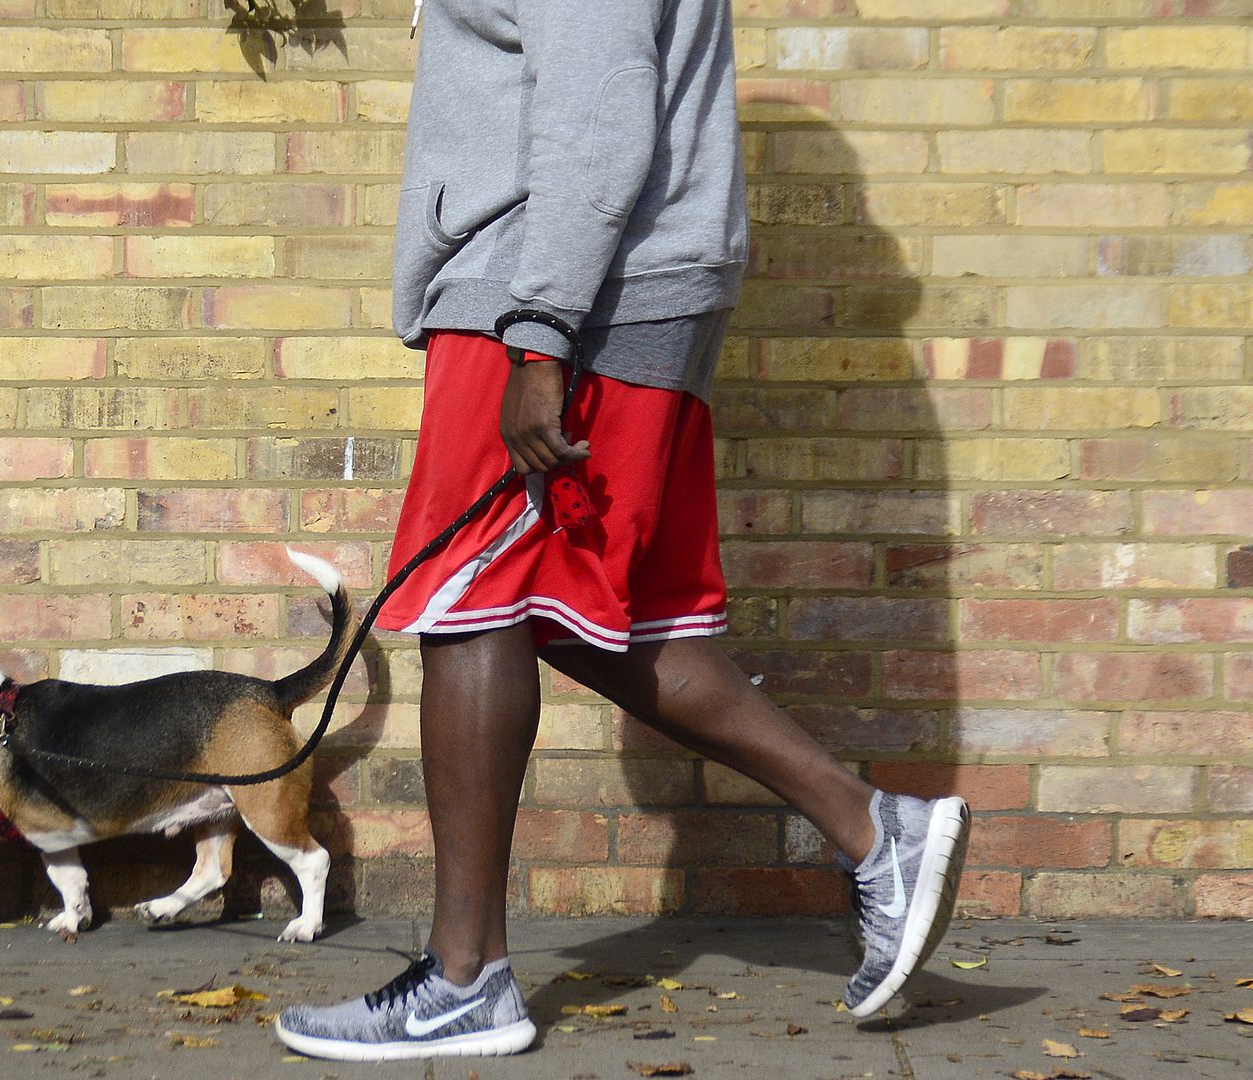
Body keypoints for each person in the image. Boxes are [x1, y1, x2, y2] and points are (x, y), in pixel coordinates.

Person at [272, 0, 971, 1062]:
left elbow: (598, 109)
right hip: (596, 286)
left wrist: (541, 330)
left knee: (471, 604)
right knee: (578, 613)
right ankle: (879, 832)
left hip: (561, 293)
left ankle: (465, 979)